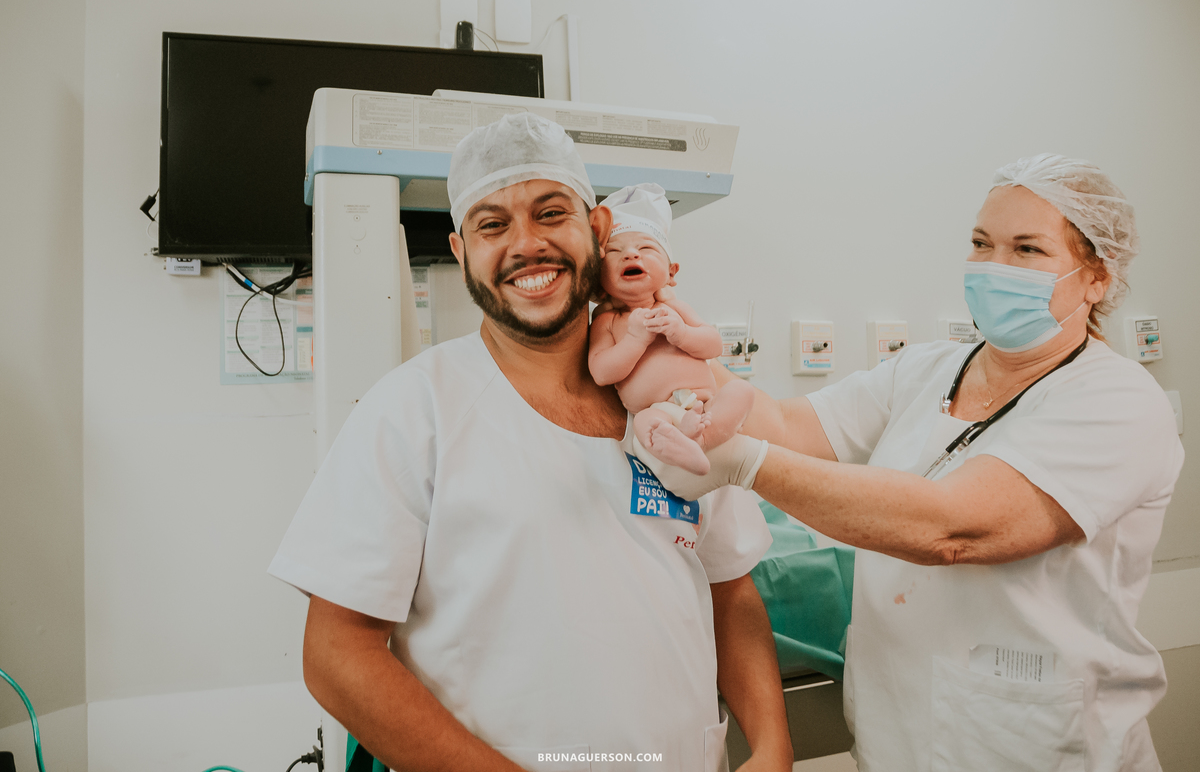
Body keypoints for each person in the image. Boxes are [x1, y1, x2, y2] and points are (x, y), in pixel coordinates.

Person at [268, 112, 793, 772]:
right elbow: (337, 653)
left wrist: (773, 745)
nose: (526, 244)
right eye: (493, 224)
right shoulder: (413, 410)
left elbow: (731, 590)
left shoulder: (676, 404)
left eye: (550, 213)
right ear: (462, 251)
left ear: (597, 229)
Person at [641, 154, 1185, 772]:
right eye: (981, 243)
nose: (994, 267)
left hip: (1036, 744)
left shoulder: (1117, 400)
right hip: (897, 736)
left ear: (1096, 278)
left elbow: (952, 528)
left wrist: (743, 463)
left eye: (1027, 250)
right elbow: (790, 427)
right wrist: (675, 341)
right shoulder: (928, 368)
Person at [589, 183, 755, 476]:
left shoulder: (676, 310)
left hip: (705, 405)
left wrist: (682, 334)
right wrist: (635, 340)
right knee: (643, 424)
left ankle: (699, 439)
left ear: (672, 272)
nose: (630, 255)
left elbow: (714, 345)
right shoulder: (609, 322)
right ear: (598, 284)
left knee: (742, 391)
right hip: (657, 411)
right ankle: (681, 441)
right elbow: (601, 373)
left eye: (645, 248)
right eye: (615, 251)